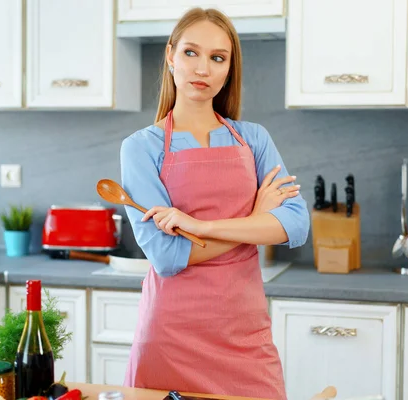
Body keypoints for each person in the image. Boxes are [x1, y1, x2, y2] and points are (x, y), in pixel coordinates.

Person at [119, 7, 309, 400]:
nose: (202, 68)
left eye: (217, 58)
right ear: (170, 55)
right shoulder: (141, 148)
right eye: (191, 53)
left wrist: (202, 227)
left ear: (228, 70)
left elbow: (295, 224)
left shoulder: (253, 139)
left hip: (245, 336)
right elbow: (167, 256)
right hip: (170, 336)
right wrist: (256, 221)